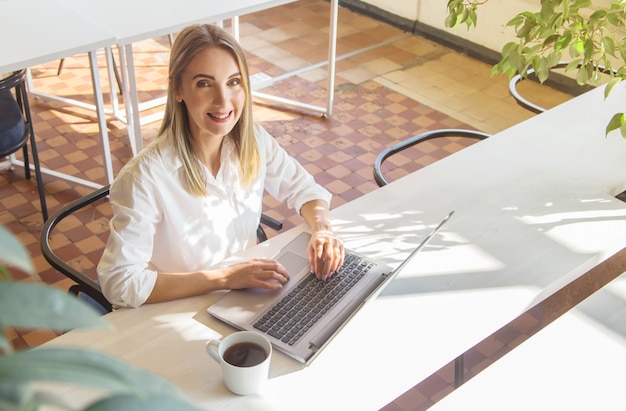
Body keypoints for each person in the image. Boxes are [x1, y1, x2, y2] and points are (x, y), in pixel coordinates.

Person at [97, 24, 344, 308]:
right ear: (177, 89)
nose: (223, 100)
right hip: (176, 308)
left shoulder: (253, 140)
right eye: (204, 83)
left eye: (233, 82)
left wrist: (322, 228)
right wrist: (224, 278)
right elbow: (120, 283)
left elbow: (304, 189)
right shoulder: (144, 178)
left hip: (244, 295)